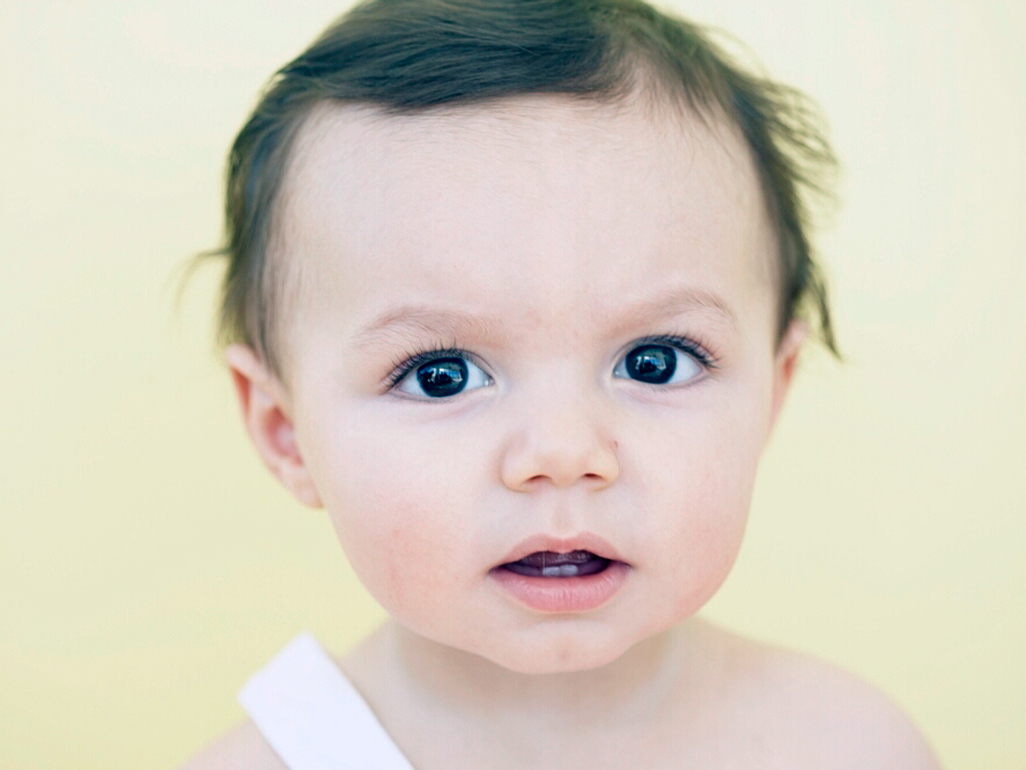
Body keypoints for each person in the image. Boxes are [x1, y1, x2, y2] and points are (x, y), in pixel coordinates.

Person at [184, 0, 941, 767]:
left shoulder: (852, 746)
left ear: (772, 395)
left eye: (655, 361)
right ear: (287, 432)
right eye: (441, 377)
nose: (564, 452)